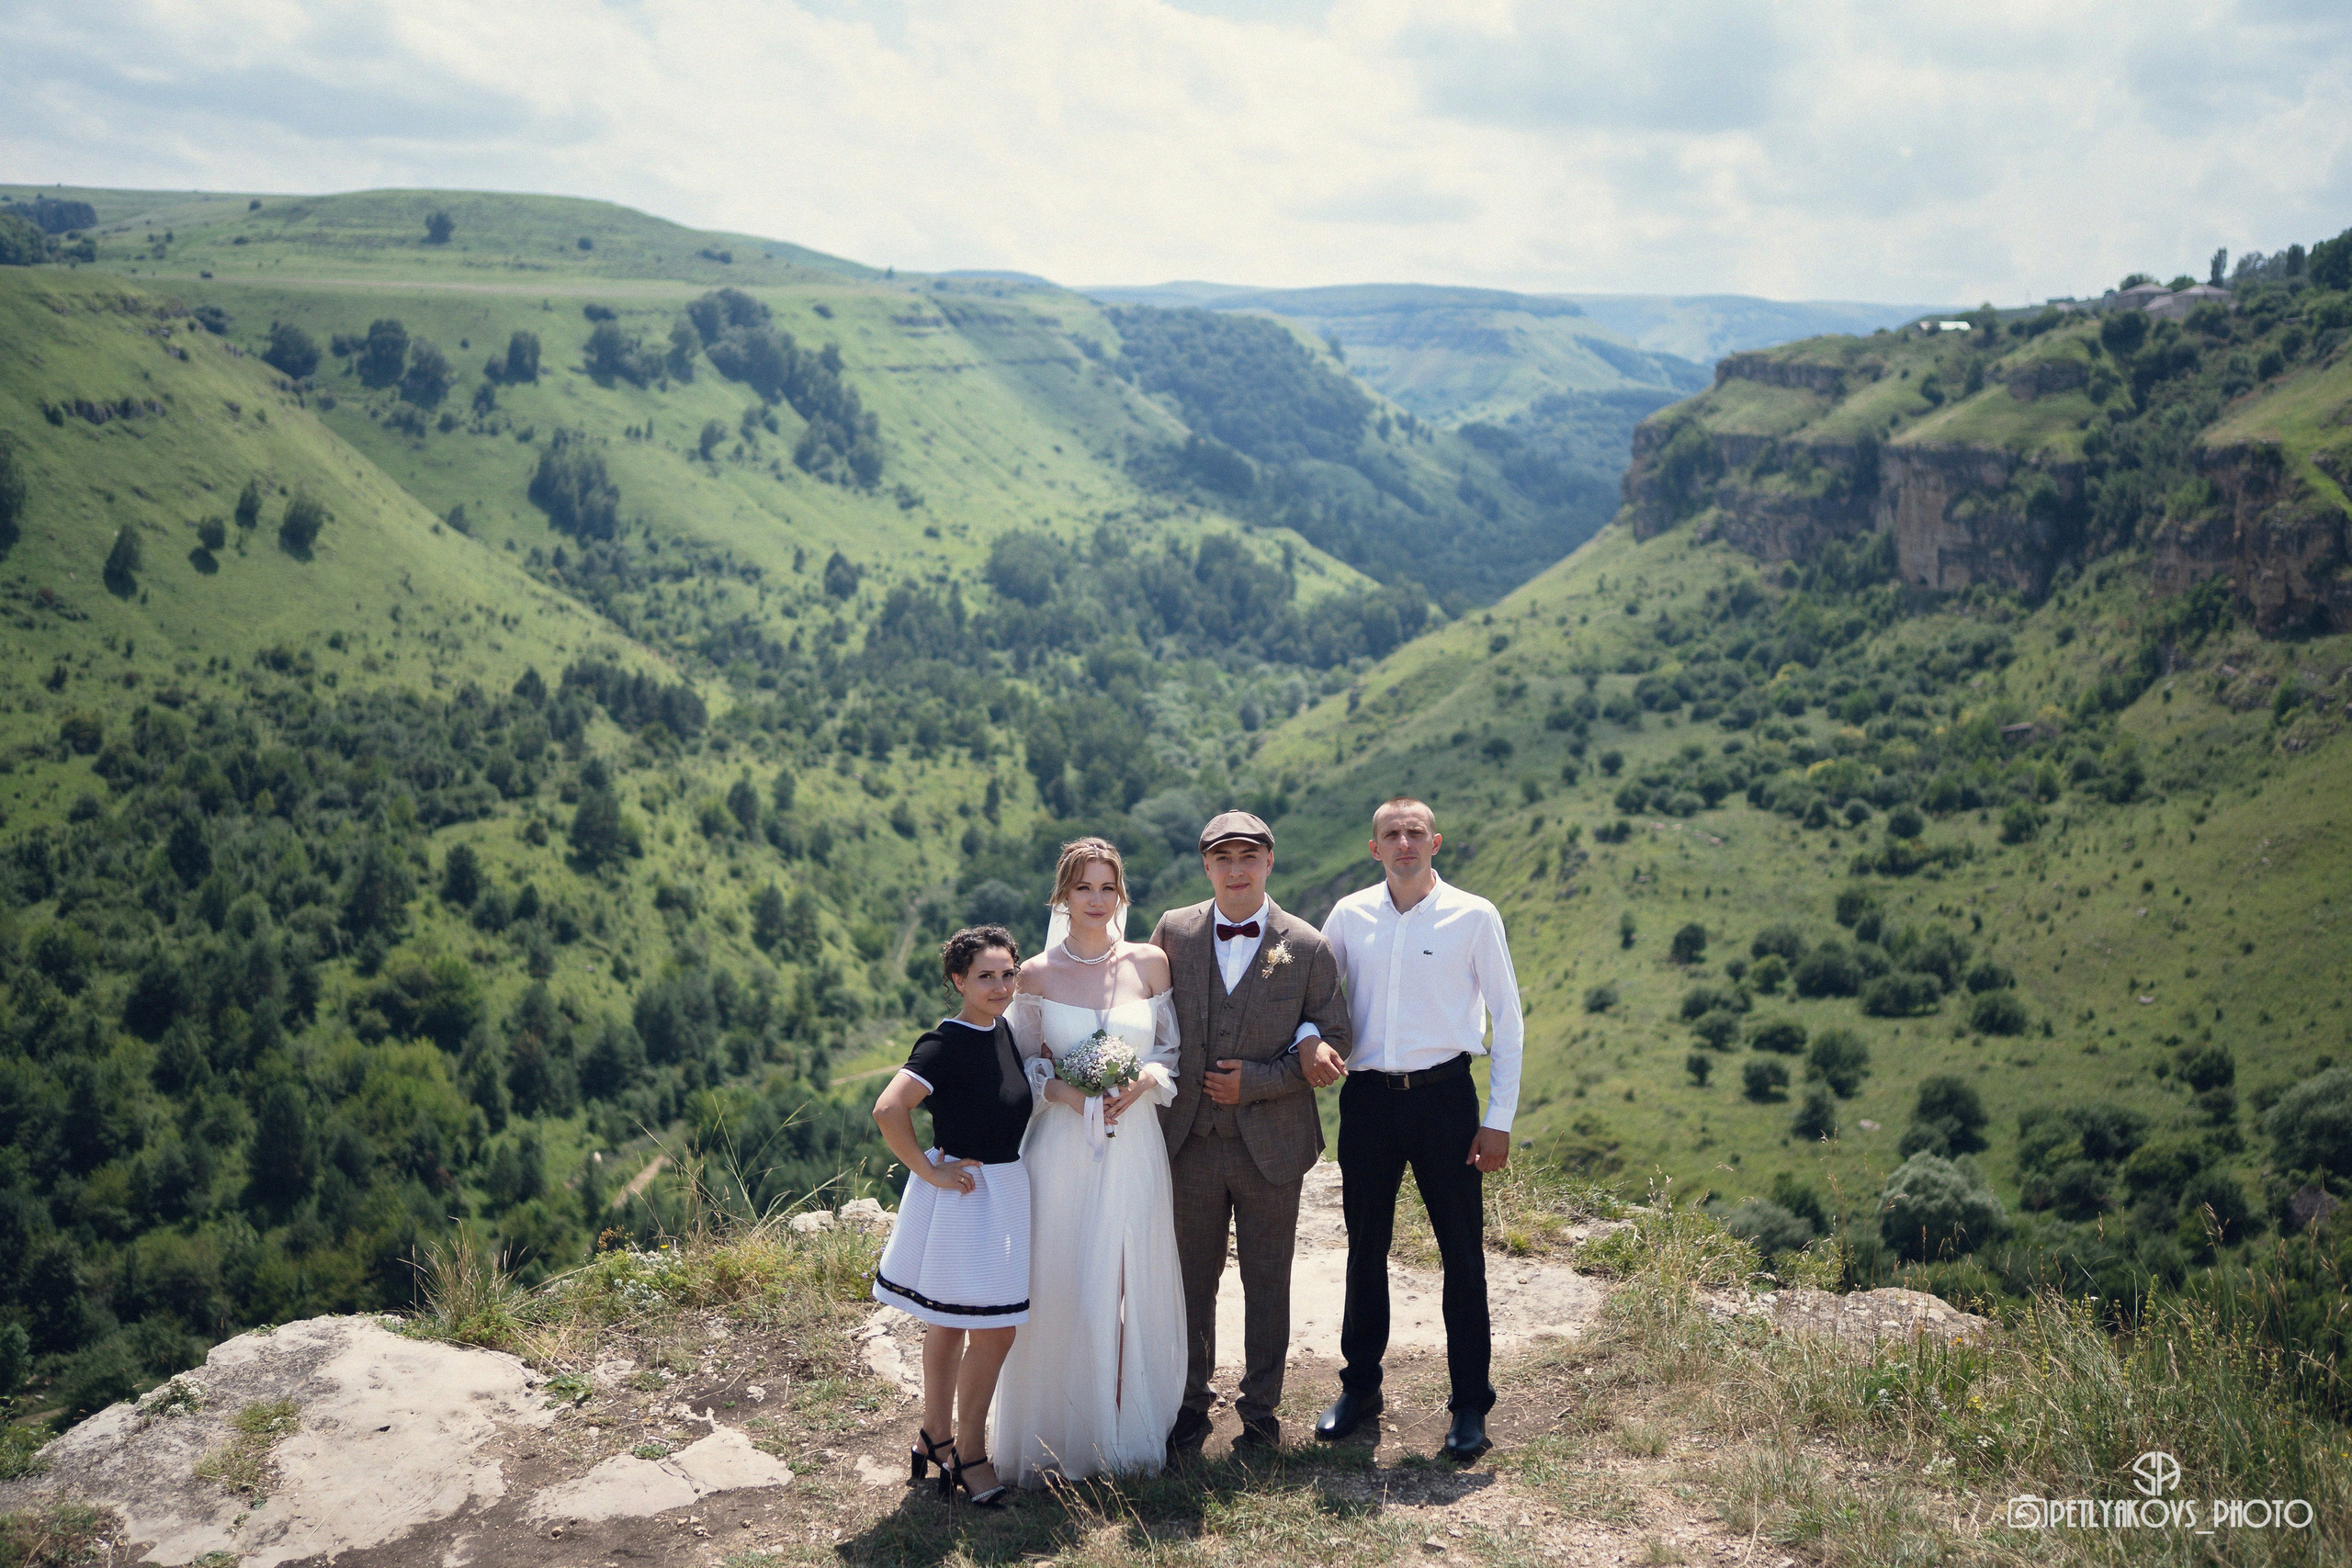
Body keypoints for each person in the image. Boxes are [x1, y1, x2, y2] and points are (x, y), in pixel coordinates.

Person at [1313, 796, 1522, 1462]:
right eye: (1390, 834)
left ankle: (1469, 1405)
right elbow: (1315, 997)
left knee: (1462, 1256)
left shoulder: (1474, 914)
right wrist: (1311, 1039)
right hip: (1369, 1099)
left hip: (1446, 1098)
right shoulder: (1349, 915)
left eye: (1414, 832)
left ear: (1436, 841)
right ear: (1374, 848)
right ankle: (1360, 1388)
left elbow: (1508, 1020)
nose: (1404, 843)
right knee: (1364, 1249)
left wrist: (1499, 1119)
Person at [1150, 810, 1351, 1457]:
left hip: (1274, 1146)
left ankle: (1261, 1410)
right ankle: (1187, 1403)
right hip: (1188, 1141)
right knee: (1189, 1277)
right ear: (1206, 865)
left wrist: (1260, 1080)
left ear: (1270, 862)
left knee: (1268, 1280)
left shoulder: (1310, 945)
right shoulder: (1173, 931)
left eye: (1249, 856)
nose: (1236, 869)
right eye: (1222, 857)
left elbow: (1336, 1036)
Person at [990, 839, 1187, 1486]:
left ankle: (1126, 1430)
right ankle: (1063, 1432)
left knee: (1130, 1279)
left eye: (1108, 887)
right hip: (1064, 1148)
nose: (1096, 901)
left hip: (1133, 1144)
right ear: (1062, 896)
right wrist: (1071, 1094)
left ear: (1121, 894)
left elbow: (1170, 1049)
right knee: (1066, 1282)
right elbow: (1022, 1068)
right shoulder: (1037, 975)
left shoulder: (1152, 964)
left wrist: (1146, 1080)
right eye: (1083, 888)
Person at [869, 926, 1035, 1508]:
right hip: (968, 1197)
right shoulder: (945, 1043)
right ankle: (969, 1453)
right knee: (996, 1331)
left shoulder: (1003, 1030)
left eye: (1007, 974)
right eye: (985, 976)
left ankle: (933, 1437)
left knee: (950, 1322)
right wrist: (929, 1171)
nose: (999, 985)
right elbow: (889, 1108)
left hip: (1002, 1192)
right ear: (958, 981)